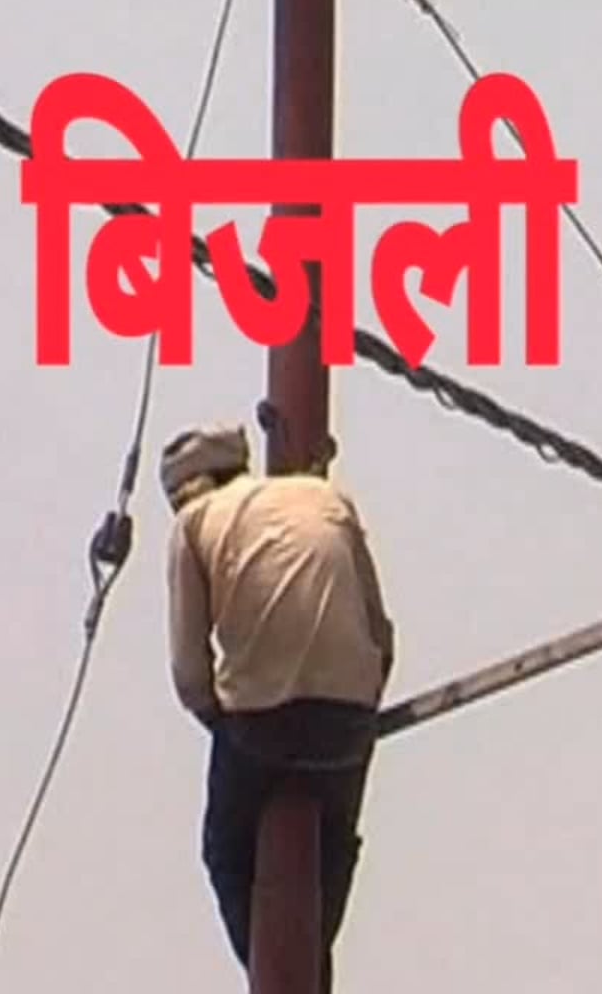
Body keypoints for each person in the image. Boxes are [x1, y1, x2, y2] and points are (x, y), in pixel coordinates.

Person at [161, 424, 396, 992]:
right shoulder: (327, 498)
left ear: (186, 491)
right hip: (347, 719)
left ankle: (278, 975)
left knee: (225, 850)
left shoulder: (193, 524)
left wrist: (225, 718)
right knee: (334, 842)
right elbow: (382, 636)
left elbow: (189, 675)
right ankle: (309, 968)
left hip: (261, 725)